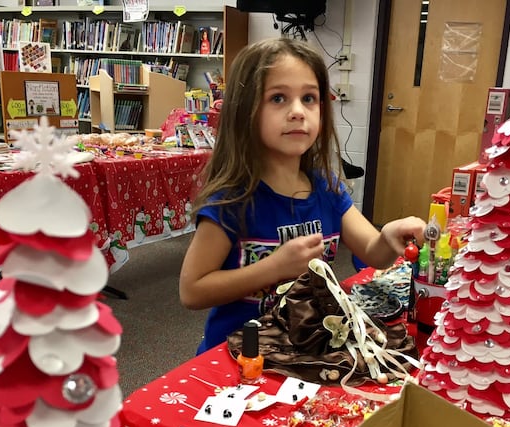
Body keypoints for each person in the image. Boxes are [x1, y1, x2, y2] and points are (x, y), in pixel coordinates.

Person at [179, 38, 427, 355]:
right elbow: (192, 291)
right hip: (241, 358)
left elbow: (374, 254)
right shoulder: (231, 200)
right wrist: (274, 267)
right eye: (278, 98)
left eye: (309, 98)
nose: (298, 112)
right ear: (245, 111)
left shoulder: (328, 189)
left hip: (305, 348)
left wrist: (389, 236)